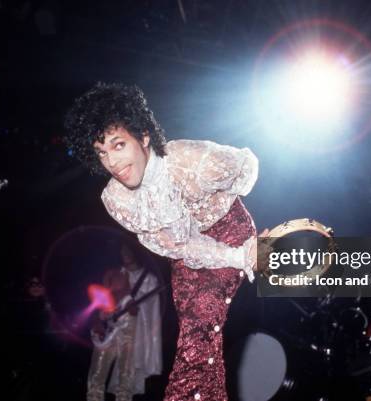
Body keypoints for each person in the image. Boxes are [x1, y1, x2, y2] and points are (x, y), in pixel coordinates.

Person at [65, 82, 267, 401]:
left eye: (118, 145)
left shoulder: (192, 161)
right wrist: (233, 257)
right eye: (101, 153)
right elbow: (179, 246)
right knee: (195, 331)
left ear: (144, 136)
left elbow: (245, 169)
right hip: (188, 251)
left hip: (230, 228)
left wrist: (245, 251)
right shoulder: (117, 200)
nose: (112, 163)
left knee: (199, 324)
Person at [87, 243, 162, 401]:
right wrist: (98, 320)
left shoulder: (149, 278)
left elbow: (150, 310)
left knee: (125, 379)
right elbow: (100, 301)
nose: (125, 253)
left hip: (133, 333)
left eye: (128, 249)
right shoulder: (114, 274)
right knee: (97, 374)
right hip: (109, 331)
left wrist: (135, 307)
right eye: (122, 250)